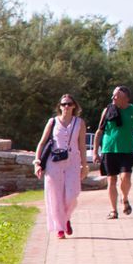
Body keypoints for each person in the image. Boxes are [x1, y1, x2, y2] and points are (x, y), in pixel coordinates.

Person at [34, 94, 86, 239]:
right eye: (63, 104)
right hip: (54, 161)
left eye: (69, 104)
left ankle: (66, 218)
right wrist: (37, 162)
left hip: (73, 161)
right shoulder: (53, 122)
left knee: (71, 195)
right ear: (60, 106)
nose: (66, 107)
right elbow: (42, 142)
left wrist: (84, 165)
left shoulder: (79, 123)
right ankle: (60, 227)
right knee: (55, 195)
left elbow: (82, 146)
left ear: (74, 106)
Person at [95, 86, 133, 218]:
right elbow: (99, 131)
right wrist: (96, 151)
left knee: (125, 178)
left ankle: (124, 198)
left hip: (126, 150)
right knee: (111, 180)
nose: (113, 98)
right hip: (109, 150)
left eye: (116, 96)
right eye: (113, 95)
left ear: (126, 98)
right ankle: (113, 210)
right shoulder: (107, 110)